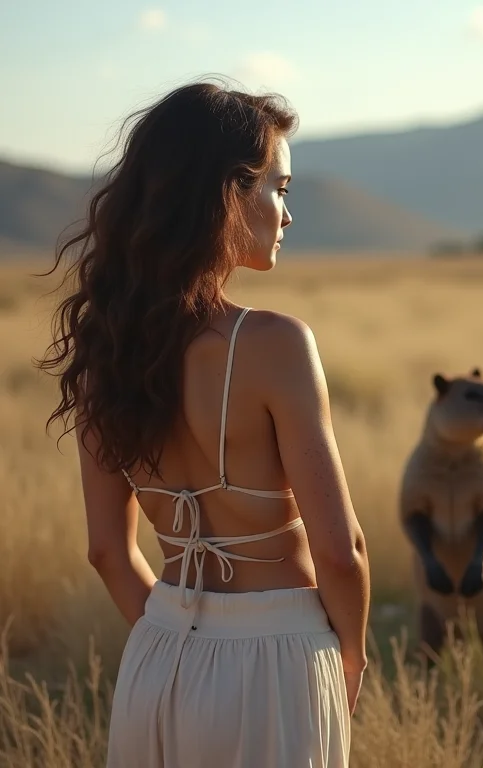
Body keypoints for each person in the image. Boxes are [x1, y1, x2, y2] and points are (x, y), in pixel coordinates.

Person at [37, 81, 371, 767]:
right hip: (279, 656)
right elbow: (342, 553)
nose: (287, 213)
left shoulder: (107, 351)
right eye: (278, 188)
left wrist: (178, 642)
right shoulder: (276, 343)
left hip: (157, 657)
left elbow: (108, 551)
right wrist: (352, 656)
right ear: (228, 193)